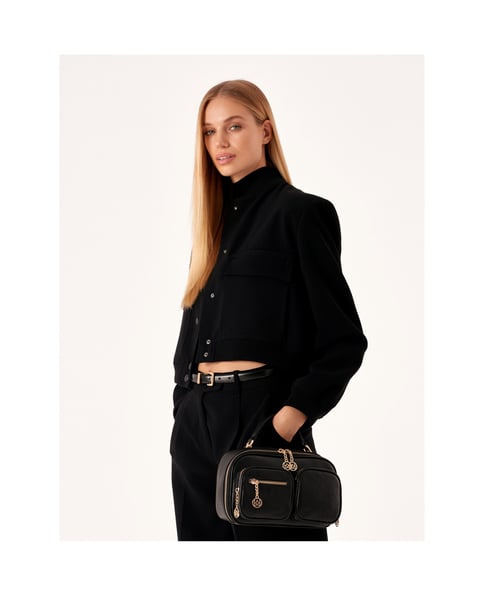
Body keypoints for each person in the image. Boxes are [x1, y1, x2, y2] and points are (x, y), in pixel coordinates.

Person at [169, 79, 368, 541]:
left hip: (261, 415)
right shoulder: (210, 232)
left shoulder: (302, 214)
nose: (220, 142)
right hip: (196, 424)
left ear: (264, 130)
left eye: (234, 126)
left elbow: (344, 342)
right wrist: (184, 407)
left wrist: (286, 422)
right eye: (209, 131)